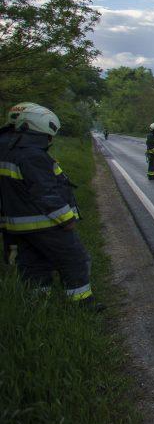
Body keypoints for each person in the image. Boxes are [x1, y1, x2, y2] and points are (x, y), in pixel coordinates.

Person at [0, 104, 96, 307]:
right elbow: (45, 191)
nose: (50, 141)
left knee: (33, 264)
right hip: (44, 223)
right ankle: (81, 305)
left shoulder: (7, 149)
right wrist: (66, 218)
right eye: (48, 136)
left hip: (17, 224)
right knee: (74, 259)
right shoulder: (31, 155)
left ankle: (39, 303)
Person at [1, 102, 41, 266]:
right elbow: (39, 181)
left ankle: (12, 268)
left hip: (7, 204)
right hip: (22, 206)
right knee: (27, 247)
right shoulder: (25, 144)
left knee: (11, 240)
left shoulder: (5, 138)